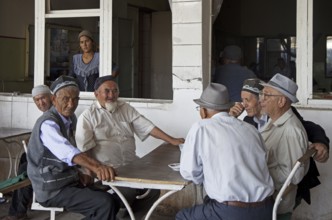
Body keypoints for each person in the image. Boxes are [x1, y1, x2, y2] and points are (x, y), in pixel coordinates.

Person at [75, 75, 185, 218]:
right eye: (106, 91)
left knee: (153, 190)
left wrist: (171, 140)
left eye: (115, 91)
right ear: (96, 94)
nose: (111, 95)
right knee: (128, 191)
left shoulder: (124, 107)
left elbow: (147, 126)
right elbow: (84, 151)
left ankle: (134, 216)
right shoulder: (88, 116)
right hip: (108, 169)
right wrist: (91, 173)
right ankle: (119, 213)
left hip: (132, 164)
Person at [176, 83, 275, 220]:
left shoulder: (201, 127)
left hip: (232, 212)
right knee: (209, 203)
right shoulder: (250, 129)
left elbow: (190, 173)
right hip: (266, 209)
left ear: (203, 111)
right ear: (228, 108)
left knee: (182, 216)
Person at [26, 76, 119, 220]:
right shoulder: (48, 124)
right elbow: (68, 152)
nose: (71, 104)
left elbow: (80, 147)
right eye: (65, 99)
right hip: (52, 189)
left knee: (113, 200)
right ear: (53, 99)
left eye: (75, 99)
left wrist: (84, 172)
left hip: (68, 181)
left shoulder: (70, 118)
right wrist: (97, 167)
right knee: (104, 203)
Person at [230, 78, 329, 206]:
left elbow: (306, 129)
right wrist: (229, 120)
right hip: (268, 191)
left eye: (247, 100)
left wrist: (321, 142)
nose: (243, 105)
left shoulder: (287, 117)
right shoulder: (248, 121)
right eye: (242, 100)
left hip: (282, 194)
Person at [259, 74, 309, 219]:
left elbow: (293, 175)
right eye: (262, 94)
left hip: (276, 205)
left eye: (267, 95)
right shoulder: (274, 121)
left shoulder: (290, 130)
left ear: (281, 101)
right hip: (267, 197)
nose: (262, 99)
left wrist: (257, 175)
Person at [2, 85, 53, 220]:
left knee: (26, 169)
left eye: (43, 98)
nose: (40, 103)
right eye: (37, 100)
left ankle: (18, 212)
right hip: (47, 156)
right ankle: (22, 202)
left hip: (55, 161)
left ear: (51, 97)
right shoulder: (48, 113)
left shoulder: (55, 114)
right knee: (24, 157)